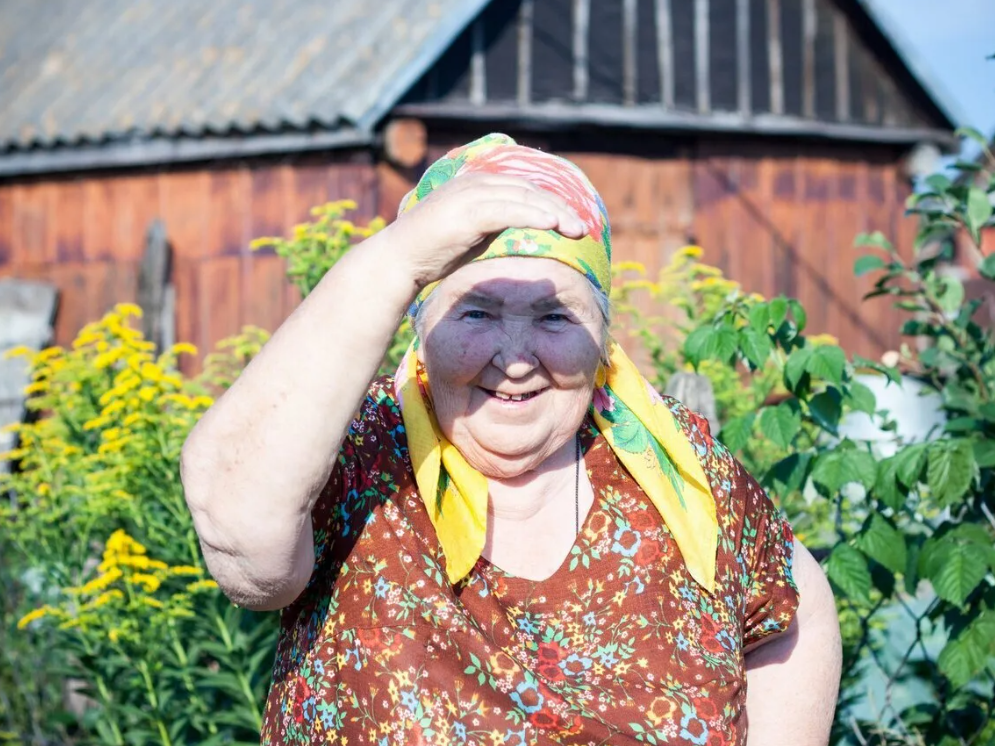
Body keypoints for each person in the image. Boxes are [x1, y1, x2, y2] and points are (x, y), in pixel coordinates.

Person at [181, 134, 842, 746]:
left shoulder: (673, 468)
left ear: (602, 337)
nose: (517, 357)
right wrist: (397, 259)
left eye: (554, 317)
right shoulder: (362, 452)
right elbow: (245, 550)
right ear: (419, 325)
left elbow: (792, 604)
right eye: (477, 312)